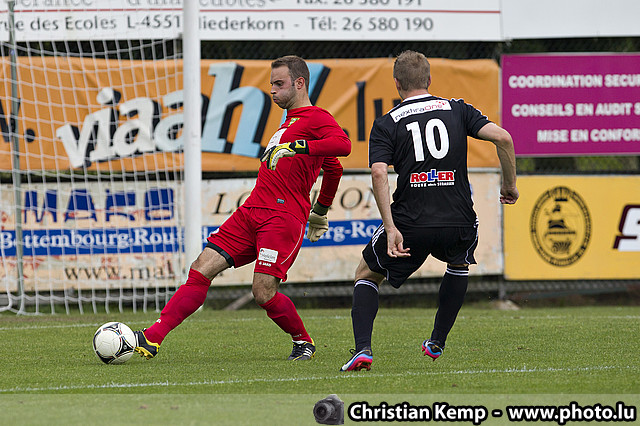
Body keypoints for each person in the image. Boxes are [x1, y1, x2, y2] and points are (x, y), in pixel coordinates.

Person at [133, 55, 351, 362]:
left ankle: (303, 341)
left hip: (281, 218)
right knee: (201, 267)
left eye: (279, 84)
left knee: (263, 292)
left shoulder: (316, 117)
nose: (272, 90)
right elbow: (333, 168)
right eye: (271, 84)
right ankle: (152, 338)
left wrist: (318, 207)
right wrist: (320, 210)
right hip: (252, 211)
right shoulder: (289, 122)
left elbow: (343, 146)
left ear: (300, 83)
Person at [339, 50, 518, 371]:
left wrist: (390, 227)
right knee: (458, 264)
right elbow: (503, 138)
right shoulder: (458, 109)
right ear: (429, 79)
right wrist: (509, 185)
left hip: (411, 221)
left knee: (366, 274)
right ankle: (437, 341)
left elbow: (379, 172)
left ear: (397, 83)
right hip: (459, 218)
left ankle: (363, 349)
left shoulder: (387, 122)